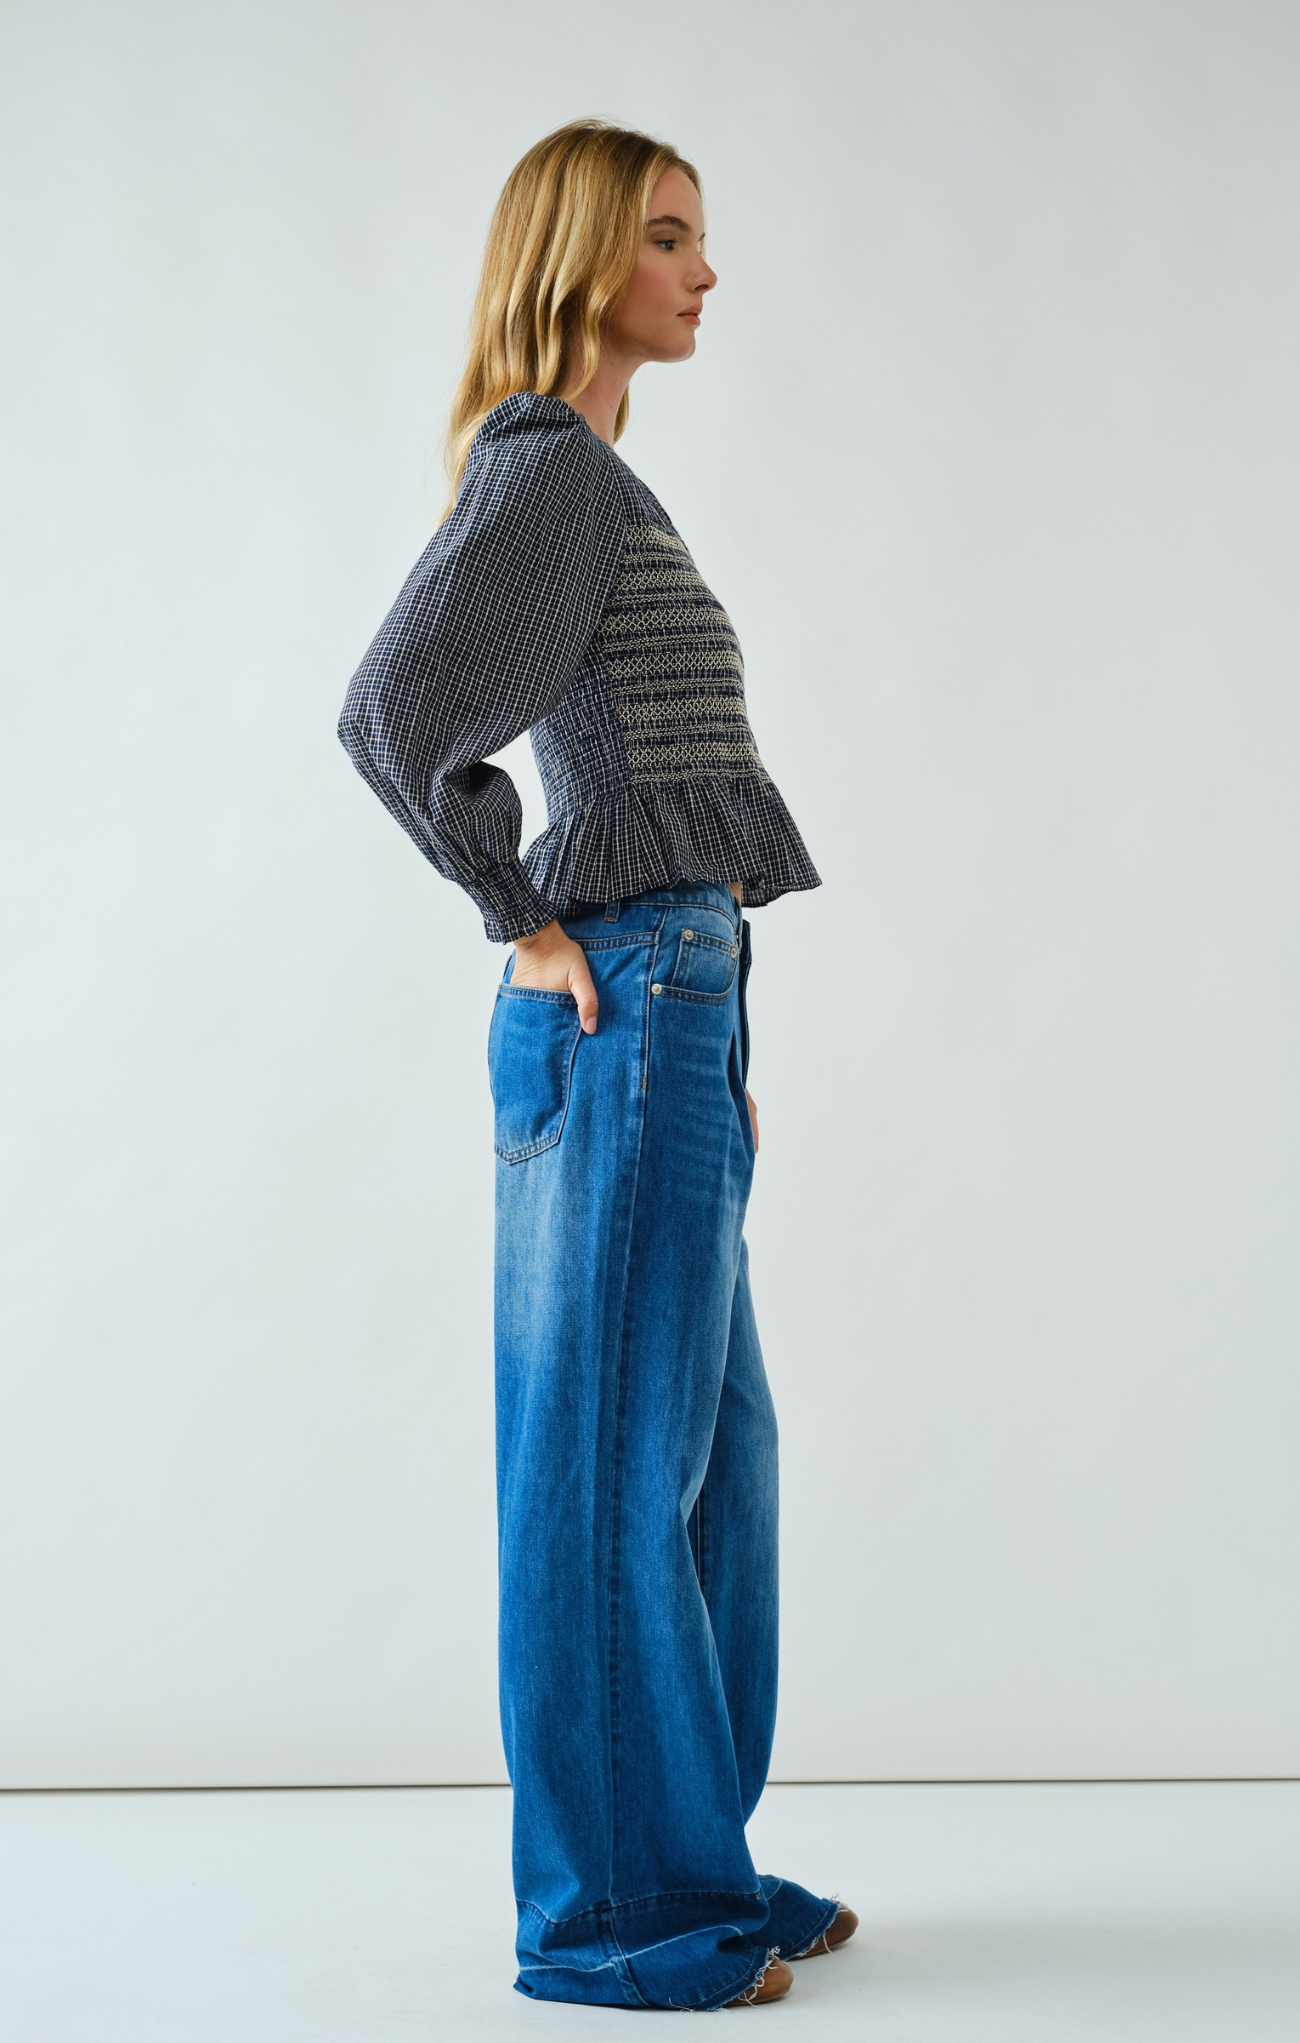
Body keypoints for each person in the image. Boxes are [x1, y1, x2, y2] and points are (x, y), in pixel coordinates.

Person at [337, 118, 857, 2011]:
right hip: (620, 998)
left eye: (701, 237)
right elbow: (396, 711)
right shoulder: (549, 469)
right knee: (606, 1469)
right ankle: (617, 1913)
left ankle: (687, 1855)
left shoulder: (598, 485)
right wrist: (521, 916)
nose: (704, 271)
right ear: (578, 261)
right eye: (668, 236)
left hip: (676, 1002)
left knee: (724, 1465)